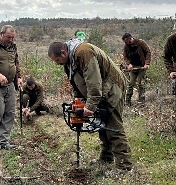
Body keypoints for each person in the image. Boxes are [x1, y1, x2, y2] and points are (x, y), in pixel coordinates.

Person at [48, 39, 133, 171]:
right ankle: (106, 157)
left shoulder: (84, 52)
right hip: (100, 91)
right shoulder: (68, 61)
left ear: (63, 53)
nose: (57, 64)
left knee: (113, 126)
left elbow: (94, 82)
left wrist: (90, 106)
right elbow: (76, 84)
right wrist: (78, 102)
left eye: (57, 60)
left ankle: (124, 166)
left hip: (112, 88)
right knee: (101, 124)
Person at [122, 33, 151, 105]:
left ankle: (141, 101)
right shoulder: (126, 46)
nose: (126, 43)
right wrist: (129, 64)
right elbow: (125, 56)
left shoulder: (140, 43)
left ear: (130, 39)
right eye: (124, 42)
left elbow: (148, 52)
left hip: (142, 67)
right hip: (133, 68)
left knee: (140, 82)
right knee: (131, 84)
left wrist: (147, 63)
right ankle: (127, 102)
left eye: (126, 41)